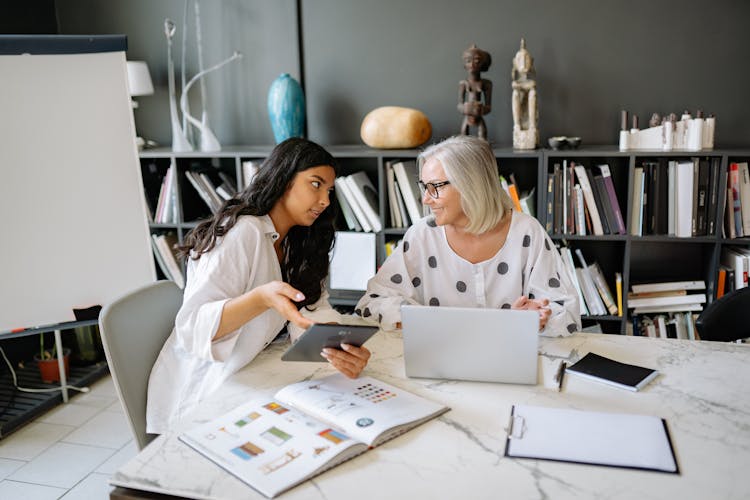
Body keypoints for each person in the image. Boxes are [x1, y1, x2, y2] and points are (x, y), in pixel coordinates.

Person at [146, 138, 371, 434]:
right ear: (284, 178)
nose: (325, 201)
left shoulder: (300, 241)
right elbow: (192, 327)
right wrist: (260, 299)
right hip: (206, 392)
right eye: (315, 185)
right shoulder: (243, 232)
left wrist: (340, 348)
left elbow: (315, 310)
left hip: (254, 377)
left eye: (329, 191)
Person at [355, 135, 580, 335]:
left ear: (471, 185)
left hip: (509, 358)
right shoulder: (421, 236)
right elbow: (372, 303)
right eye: (424, 187)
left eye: (435, 187)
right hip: (438, 360)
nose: (425, 199)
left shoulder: (527, 233)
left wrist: (539, 318)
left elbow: (566, 312)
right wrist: (421, 321)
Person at [457, 44, 493, 140]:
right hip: (467, 117)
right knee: (464, 142)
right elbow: (459, 105)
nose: (472, 64)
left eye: (476, 61)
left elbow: (488, 107)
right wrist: (466, 109)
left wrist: (481, 109)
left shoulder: (487, 84)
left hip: (479, 117)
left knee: (482, 142)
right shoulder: (463, 84)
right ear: (465, 65)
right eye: (468, 61)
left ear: (482, 64)